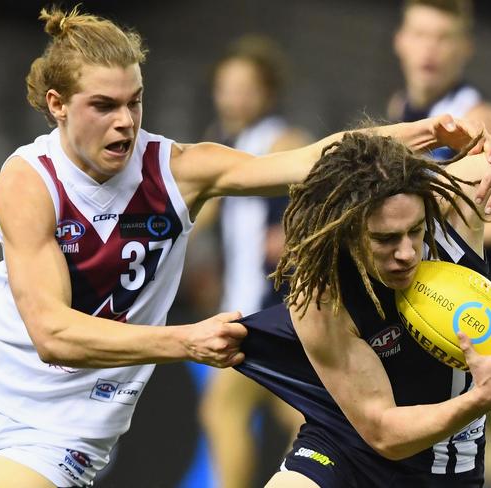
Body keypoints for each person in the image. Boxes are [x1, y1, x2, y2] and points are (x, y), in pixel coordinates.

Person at [0, 6, 488, 488]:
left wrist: (422, 136)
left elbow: (312, 159)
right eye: (103, 106)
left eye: (134, 102)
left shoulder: (179, 169)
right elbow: (51, 335)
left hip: (66, 422)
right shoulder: (29, 179)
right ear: (58, 105)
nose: (125, 123)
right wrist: (185, 340)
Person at [234, 112, 491, 487]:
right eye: (385, 239)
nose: (406, 252)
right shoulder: (320, 295)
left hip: (441, 465)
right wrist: (483, 397)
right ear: (349, 229)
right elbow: (383, 430)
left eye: (415, 231)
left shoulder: (455, 202)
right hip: (346, 450)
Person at [389, 2, 491, 483]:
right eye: (421, 34)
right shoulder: (404, 111)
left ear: (465, 48)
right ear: (400, 40)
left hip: (478, 313)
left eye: (444, 38)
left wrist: (441, 231)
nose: (430, 50)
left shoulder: (476, 115)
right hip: (432, 309)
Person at [197, 34, 308, 488]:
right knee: (300, 413)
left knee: (225, 408)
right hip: (243, 300)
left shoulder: (284, 139)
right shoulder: (219, 143)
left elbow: (328, 198)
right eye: (226, 86)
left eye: (245, 87)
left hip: (275, 302)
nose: (233, 97)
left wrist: (297, 234)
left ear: (267, 92)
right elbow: (196, 216)